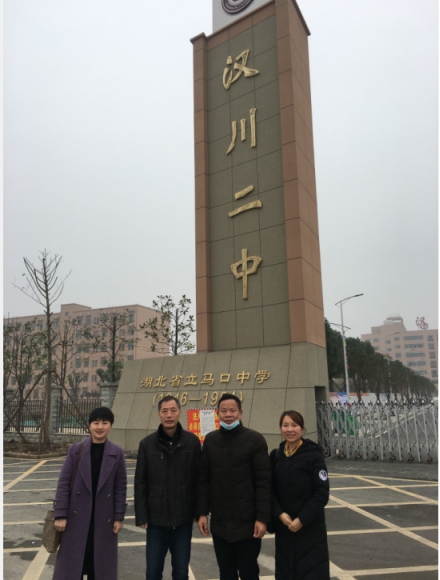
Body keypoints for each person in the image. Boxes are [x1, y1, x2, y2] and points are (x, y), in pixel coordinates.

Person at [197, 393, 271, 580]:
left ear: (240, 413)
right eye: (224, 411)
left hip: (248, 523)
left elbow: (263, 482)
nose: (228, 414)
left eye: (232, 410)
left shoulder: (255, 440)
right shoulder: (211, 440)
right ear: (218, 413)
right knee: (226, 572)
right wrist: (202, 513)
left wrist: (262, 518)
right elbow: (204, 480)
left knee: (249, 572)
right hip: (220, 523)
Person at [52, 407, 127, 580]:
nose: (100, 427)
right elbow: (63, 483)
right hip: (76, 520)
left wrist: (118, 517)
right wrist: (60, 514)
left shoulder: (117, 453)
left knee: (99, 569)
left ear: (110, 426)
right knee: (73, 569)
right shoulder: (76, 450)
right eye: (96, 423)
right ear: (89, 425)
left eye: (104, 423)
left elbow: (120, 488)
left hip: (103, 521)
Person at [134, 395, 201, 580]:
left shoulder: (192, 442)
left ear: (180, 412)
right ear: (159, 414)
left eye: (173, 411)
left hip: (183, 519)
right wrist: (142, 514)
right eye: (165, 411)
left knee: (181, 571)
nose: (169, 415)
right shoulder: (147, 444)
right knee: (153, 572)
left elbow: (199, 480)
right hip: (156, 520)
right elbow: (140, 482)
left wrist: (199, 512)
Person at [271, 410, 330, 580]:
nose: (290, 429)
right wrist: (279, 513)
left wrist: (302, 519)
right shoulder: (276, 456)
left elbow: (321, 493)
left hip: (310, 529)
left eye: (294, 425)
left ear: (302, 429)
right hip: (285, 528)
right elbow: (270, 489)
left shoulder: (314, 456)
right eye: (285, 425)